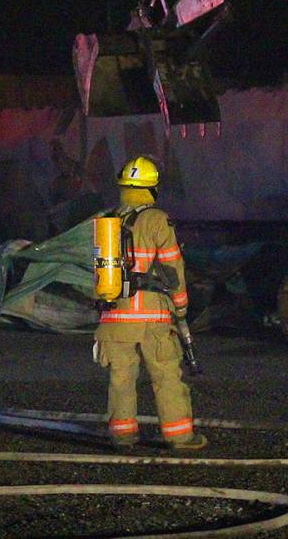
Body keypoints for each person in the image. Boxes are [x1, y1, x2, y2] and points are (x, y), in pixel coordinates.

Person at [94, 156, 207, 451]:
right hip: (152, 316)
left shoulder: (109, 222)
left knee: (121, 378)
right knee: (166, 375)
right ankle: (179, 437)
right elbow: (172, 269)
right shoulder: (157, 220)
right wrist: (180, 307)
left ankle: (122, 436)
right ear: (152, 188)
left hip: (114, 316)